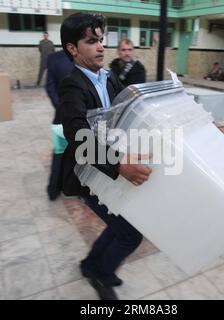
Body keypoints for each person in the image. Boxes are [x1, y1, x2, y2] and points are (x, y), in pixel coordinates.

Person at [59, 12, 152, 300]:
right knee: (130, 232)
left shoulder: (109, 78)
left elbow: (133, 109)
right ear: (73, 49)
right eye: (91, 41)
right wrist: (118, 164)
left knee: (119, 224)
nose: (101, 46)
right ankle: (100, 276)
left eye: (101, 40)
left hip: (107, 170)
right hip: (89, 175)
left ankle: (90, 265)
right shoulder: (72, 85)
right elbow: (78, 135)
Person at [45, 50, 74, 201]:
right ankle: (54, 188)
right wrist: (62, 107)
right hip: (62, 116)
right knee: (60, 151)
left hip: (83, 115)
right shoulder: (54, 58)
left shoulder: (88, 54)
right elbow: (50, 87)